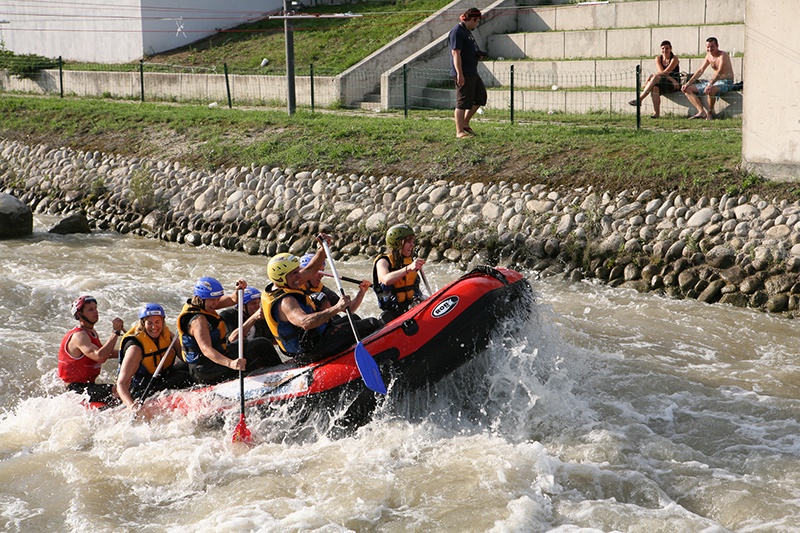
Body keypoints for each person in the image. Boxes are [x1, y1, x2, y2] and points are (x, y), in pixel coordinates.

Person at [264, 244, 382, 364]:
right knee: (371, 324)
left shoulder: (287, 282)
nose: (299, 275)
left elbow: (311, 270)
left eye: (298, 270)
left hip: (313, 337)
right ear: (280, 278)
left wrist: (322, 248)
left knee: (354, 318)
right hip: (309, 349)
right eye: (295, 273)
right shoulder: (286, 302)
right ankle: (380, 361)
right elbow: (305, 322)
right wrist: (336, 308)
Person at [178, 277, 274, 385]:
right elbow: (206, 350)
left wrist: (239, 290)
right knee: (262, 344)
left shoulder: (204, 304)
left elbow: (233, 299)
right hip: (205, 370)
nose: (216, 304)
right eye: (213, 300)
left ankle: (274, 371)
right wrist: (231, 363)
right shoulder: (198, 320)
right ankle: (277, 374)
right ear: (201, 298)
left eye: (217, 299)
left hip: (213, 361)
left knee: (244, 343)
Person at [117, 303, 192, 410]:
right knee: (183, 378)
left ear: (163, 321)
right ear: (143, 323)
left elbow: (185, 356)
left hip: (162, 376)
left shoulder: (166, 333)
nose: (154, 327)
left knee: (189, 368)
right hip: (143, 388)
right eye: (149, 323)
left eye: (157, 322)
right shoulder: (135, 348)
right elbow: (121, 383)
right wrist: (131, 405)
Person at [57, 295, 124, 405]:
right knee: (119, 390)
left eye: (96, 308)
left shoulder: (91, 332)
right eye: (90, 309)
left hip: (89, 386)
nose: (95, 312)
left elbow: (106, 352)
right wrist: (115, 333)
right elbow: (100, 356)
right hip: (76, 390)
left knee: (123, 389)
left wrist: (129, 352)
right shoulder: (79, 336)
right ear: (80, 314)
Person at [372, 223, 425, 323]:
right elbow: (386, 279)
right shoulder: (383, 261)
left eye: (413, 241)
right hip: (394, 313)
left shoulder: (410, 260)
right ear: (397, 243)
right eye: (408, 242)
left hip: (413, 306)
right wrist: (409, 268)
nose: (412, 245)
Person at [449, 7, 488, 139]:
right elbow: (455, 53)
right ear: (472, 19)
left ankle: (465, 123)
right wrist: (460, 74)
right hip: (463, 72)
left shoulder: (467, 31)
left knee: (480, 96)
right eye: (477, 22)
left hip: (472, 71)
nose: (477, 24)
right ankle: (459, 131)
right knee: (462, 102)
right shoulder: (457, 32)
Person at [218, 286, 282, 366]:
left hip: (253, 358)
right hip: (232, 359)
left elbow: (274, 339)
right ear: (243, 306)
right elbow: (232, 339)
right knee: (262, 342)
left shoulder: (260, 319)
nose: (257, 307)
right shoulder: (228, 316)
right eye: (253, 303)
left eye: (258, 303)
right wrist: (253, 318)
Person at [681, 36, 735, 120]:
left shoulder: (723, 55)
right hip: (713, 82)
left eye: (712, 46)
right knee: (687, 89)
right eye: (708, 47)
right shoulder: (708, 56)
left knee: (710, 89)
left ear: (717, 46)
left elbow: (720, 71)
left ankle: (710, 113)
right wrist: (688, 83)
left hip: (726, 82)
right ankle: (701, 112)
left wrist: (710, 84)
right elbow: (701, 70)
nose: (710, 49)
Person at [629, 40, 681, 119]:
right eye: (663, 48)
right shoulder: (658, 58)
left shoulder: (674, 59)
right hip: (662, 81)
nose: (665, 50)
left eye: (667, 48)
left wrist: (652, 77)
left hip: (673, 83)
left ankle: (640, 99)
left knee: (655, 77)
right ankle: (656, 113)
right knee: (655, 88)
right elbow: (661, 72)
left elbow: (666, 72)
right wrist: (656, 75)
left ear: (671, 49)